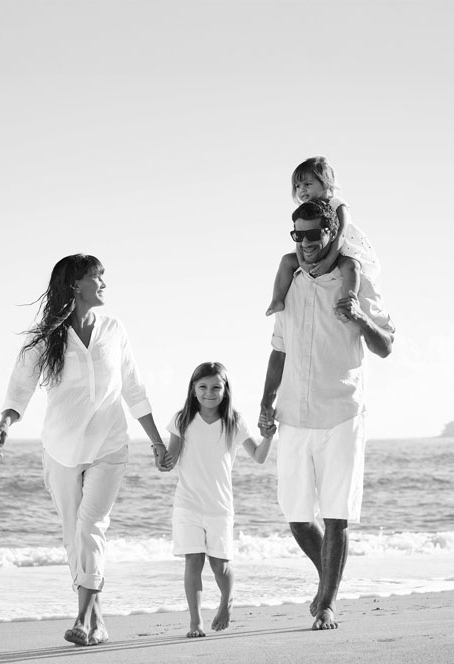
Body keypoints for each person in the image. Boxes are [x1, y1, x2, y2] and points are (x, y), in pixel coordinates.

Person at [0, 254, 171, 646]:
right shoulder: (45, 337)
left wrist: (157, 441)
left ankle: (81, 617)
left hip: (109, 444)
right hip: (61, 448)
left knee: (91, 527)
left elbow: (134, 388)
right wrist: (5, 421)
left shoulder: (113, 329)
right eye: (96, 278)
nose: (104, 284)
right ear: (75, 286)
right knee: (75, 537)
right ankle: (98, 623)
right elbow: (20, 385)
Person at [260, 200, 394, 630]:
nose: (304, 244)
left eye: (313, 235)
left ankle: (327, 603)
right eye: (296, 235)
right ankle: (329, 581)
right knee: (298, 518)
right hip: (294, 415)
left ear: (331, 233)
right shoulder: (291, 284)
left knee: (336, 515)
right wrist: (266, 401)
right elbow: (278, 347)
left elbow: (385, 346)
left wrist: (359, 317)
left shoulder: (357, 282)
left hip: (342, 413)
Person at [165, 362, 275, 638]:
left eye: (216, 387)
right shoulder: (182, 420)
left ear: (226, 390)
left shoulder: (234, 422)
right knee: (193, 562)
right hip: (187, 504)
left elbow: (259, 457)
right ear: (193, 390)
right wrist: (159, 455)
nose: (209, 392)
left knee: (219, 566)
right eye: (202, 387)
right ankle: (195, 623)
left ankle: (226, 602)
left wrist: (269, 436)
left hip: (219, 507)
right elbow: (169, 461)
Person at [266, 156, 380, 316]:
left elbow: (340, 234)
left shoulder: (336, 203)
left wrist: (328, 261)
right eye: (297, 186)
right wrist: (301, 262)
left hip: (341, 248)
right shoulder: (306, 210)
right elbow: (300, 240)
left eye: (307, 184)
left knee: (350, 266)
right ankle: (277, 300)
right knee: (286, 261)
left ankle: (347, 304)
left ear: (325, 183)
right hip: (317, 249)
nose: (302, 190)